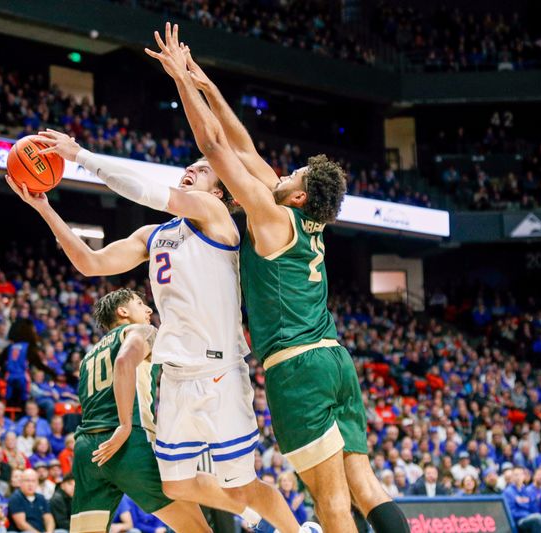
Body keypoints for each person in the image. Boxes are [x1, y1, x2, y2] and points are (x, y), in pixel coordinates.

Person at [144, 22, 407, 533]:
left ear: (299, 195)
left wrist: (179, 80)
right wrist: (205, 81)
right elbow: (242, 145)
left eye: (292, 176)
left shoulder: (270, 214)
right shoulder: (299, 217)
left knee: (331, 504)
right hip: (335, 360)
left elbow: (215, 145)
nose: (280, 173)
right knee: (366, 487)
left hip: (299, 370)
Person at [18, 115, 318, 531]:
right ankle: (250, 516)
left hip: (218, 373)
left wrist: (81, 156)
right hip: (175, 377)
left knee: (243, 483)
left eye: (203, 168)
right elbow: (91, 263)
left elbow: (143, 189)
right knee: (177, 485)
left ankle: (300, 530)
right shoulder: (154, 235)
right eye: (190, 166)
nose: (191, 169)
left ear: (219, 190)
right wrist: (45, 209)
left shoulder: (216, 215)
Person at [65, 289, 209, 532]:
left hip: (87, 449)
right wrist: (124, 424)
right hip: (128, 442)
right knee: (197, 529)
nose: (148, 309)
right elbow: (124, 361)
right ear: (123, 312)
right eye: (140, 303)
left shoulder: (88, 355)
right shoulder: (141, 331)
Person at [7, 469, 53, 533]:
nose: (30, 484)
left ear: (37, 483)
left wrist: (49, 532)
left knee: (61, 531)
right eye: (27, 481)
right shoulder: (15, 498)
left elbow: (49, 518)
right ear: (21, 482)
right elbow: (21, 524)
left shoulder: (41, 498)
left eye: (33, 481)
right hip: (22, 531)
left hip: (41, 531)